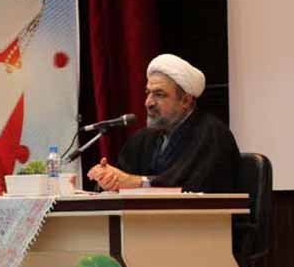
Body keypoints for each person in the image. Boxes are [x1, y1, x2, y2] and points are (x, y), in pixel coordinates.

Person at [87, 53, 240, 193]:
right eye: (148, 93)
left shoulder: (212, 134)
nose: (148, 103)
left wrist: (137, 182)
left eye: (159, 94)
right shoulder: (143, 138)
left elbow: (189, 186)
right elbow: (122, 179)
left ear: (185, 100)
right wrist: (108, 179)